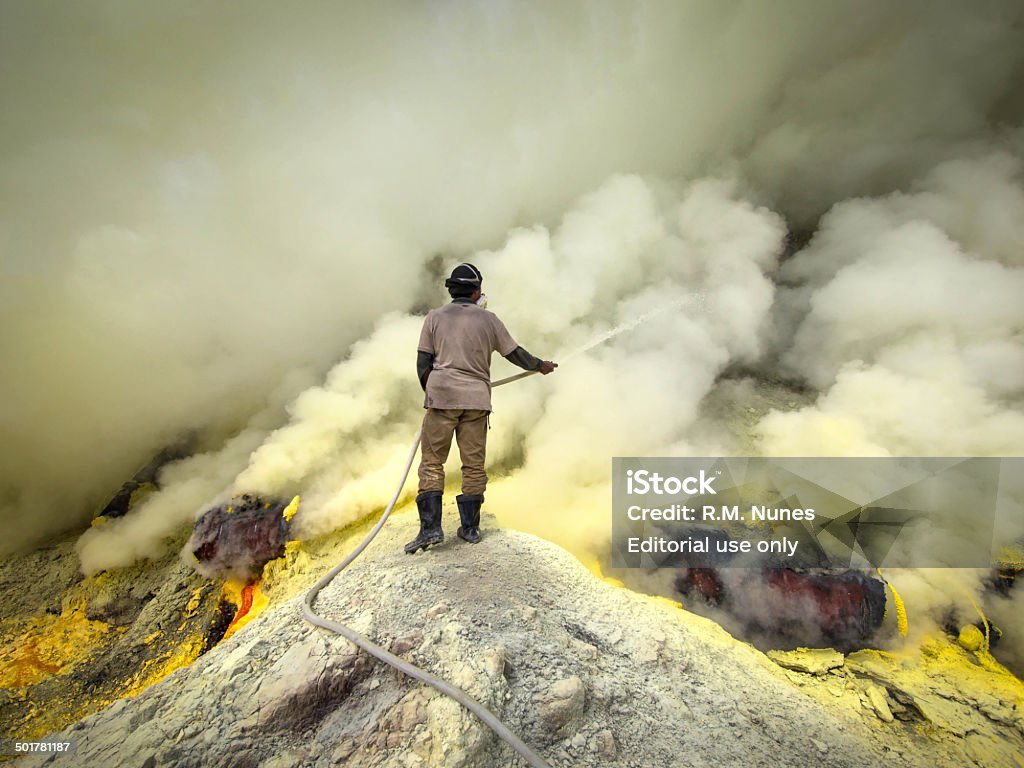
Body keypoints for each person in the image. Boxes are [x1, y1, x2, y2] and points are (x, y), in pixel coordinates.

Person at [406, 263, 557, 553]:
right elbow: (516, 354)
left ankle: (431, 530)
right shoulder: (489, 320)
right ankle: (470, 528)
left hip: (442, 400)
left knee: (432, 462)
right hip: (476, 402)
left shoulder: (434, 318)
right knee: (473, 465)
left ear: (451, 290)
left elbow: (422, 363)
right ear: (477, 291)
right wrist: (542, 366)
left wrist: (438, 391)